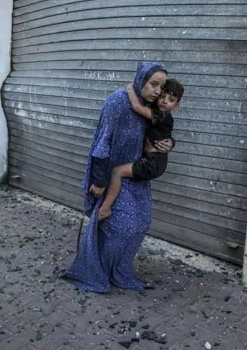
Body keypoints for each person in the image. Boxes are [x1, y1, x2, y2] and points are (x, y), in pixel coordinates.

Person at [61, 62, 173, 293]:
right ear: (141, 79)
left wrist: (170, 144)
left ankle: (119, 270)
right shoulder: (117, 102)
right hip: (112, 176)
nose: (157, 92)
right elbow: (102, 145)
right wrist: (99, 182)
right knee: (120, 226)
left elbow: (162, 132)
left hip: (136, 173)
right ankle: (96, 269)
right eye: (154, 84)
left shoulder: (149, 109)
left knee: (141, 223)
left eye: (161, 88)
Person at [97, 79, 184, 221]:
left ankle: (105, 208)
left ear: (176, 105)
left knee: (117, 172)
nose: (164, 101)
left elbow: (137, 107)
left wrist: (131, 88)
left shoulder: (162, 116)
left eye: (171, 99)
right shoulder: (157, 112)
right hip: (153, 160)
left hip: (153, 162)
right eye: (162, 96)